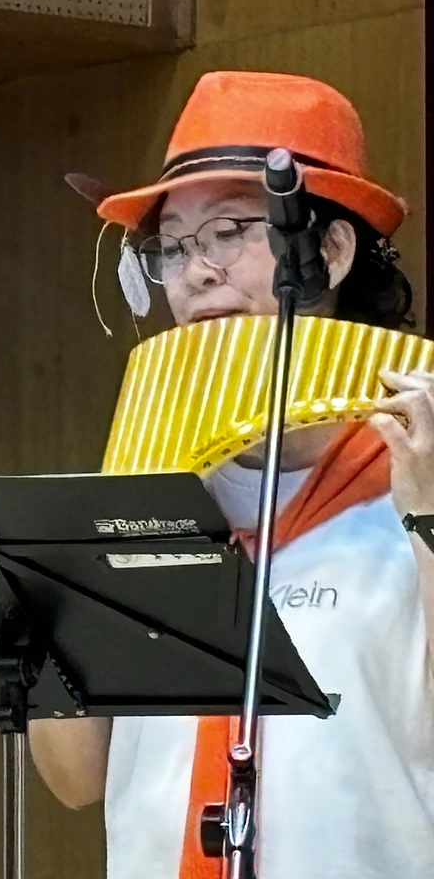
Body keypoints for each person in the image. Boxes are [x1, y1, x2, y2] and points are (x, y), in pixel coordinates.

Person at [35, 71, 434, 877]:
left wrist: (427, 518)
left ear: (330, 252)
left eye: (227, 232)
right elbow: (75, 778)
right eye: (174, 246)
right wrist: (70, 581)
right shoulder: (153, 486)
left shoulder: (419, 467)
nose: (195, 272)